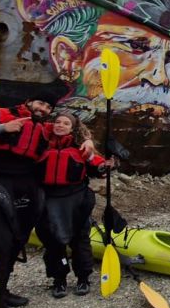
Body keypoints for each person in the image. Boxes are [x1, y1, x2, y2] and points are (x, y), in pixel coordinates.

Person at [0, 96, 93, 308]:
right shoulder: (0, 115)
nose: (44, 109)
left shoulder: (44, 127)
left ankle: (3, 289)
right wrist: (1, 128)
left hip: (25, 186)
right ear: (29, 102)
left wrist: (88, 141)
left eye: (48, 107)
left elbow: (71, 129)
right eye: (40, 103)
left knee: (17, 239)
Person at [34, 112, 113, 298]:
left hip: (75, 200)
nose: (60, 125)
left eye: (66, 123)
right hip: (48, 200)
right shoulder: (40, 147)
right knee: (53, 243)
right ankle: (59, 279)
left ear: (73, 128)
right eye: (58, 122)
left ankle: (83, 278)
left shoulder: (81, 149)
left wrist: (107, 165)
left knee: (80, 241)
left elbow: (99, 169)